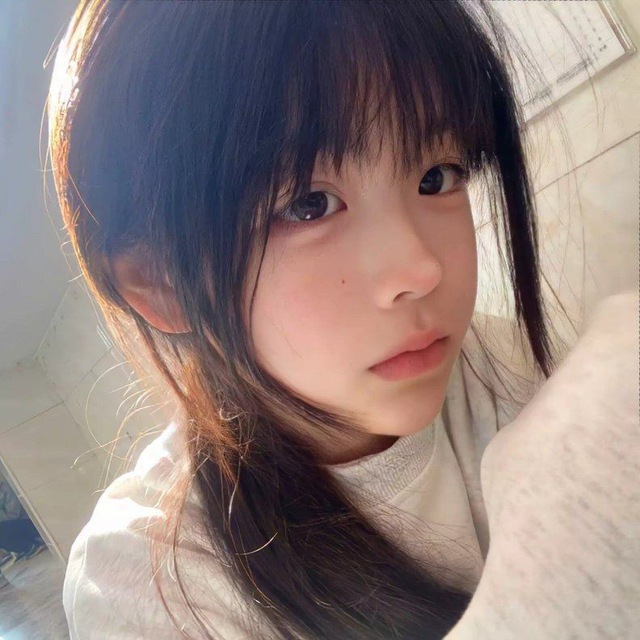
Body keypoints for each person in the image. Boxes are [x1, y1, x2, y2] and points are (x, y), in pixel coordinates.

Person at [46, 1, 638, 639]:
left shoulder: (495, 359)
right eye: (308, 205)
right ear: (163, 282)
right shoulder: (145, 586)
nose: (421, 269)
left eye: (437, 176)